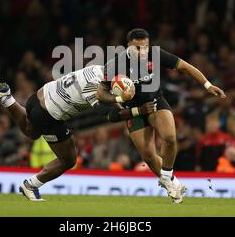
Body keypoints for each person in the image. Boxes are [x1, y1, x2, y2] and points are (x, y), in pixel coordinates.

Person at [0, 64, 155, 201]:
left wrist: (120, 99)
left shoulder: (97, 69)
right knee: (68, 159)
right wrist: (137, 110)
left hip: (38, 96)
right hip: (49, 115)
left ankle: (7, 97)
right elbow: (111, 115)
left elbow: (109, 97)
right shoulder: (92, 89)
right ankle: (30, 185)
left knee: (31, 131)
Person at [96, 28, 226, 203]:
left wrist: (207, 85)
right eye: (137, 48)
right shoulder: (115, 64)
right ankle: (173, 183)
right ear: (128, 46)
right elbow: (100, 92)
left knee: (170, 138)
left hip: (156, 102)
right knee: (148, 156)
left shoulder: (155, 54)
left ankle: (166, 177)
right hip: (134, 111)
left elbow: (186, 67)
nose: (142, 52)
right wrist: (119, 98)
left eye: (145, 47)